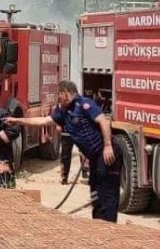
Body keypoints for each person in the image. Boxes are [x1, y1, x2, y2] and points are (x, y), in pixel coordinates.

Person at [7, 80, 122, 221]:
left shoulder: (84, 104)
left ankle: (108, 226)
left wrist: (108, 145)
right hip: (94, 157)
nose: (58, 98)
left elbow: (103, 121)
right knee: (95, 191)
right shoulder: (63, 111)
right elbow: (43, 121)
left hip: (106, 153)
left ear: (66, 93)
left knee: (107, 193)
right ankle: (98, 224)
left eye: (59, 94)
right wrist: (18, 121)